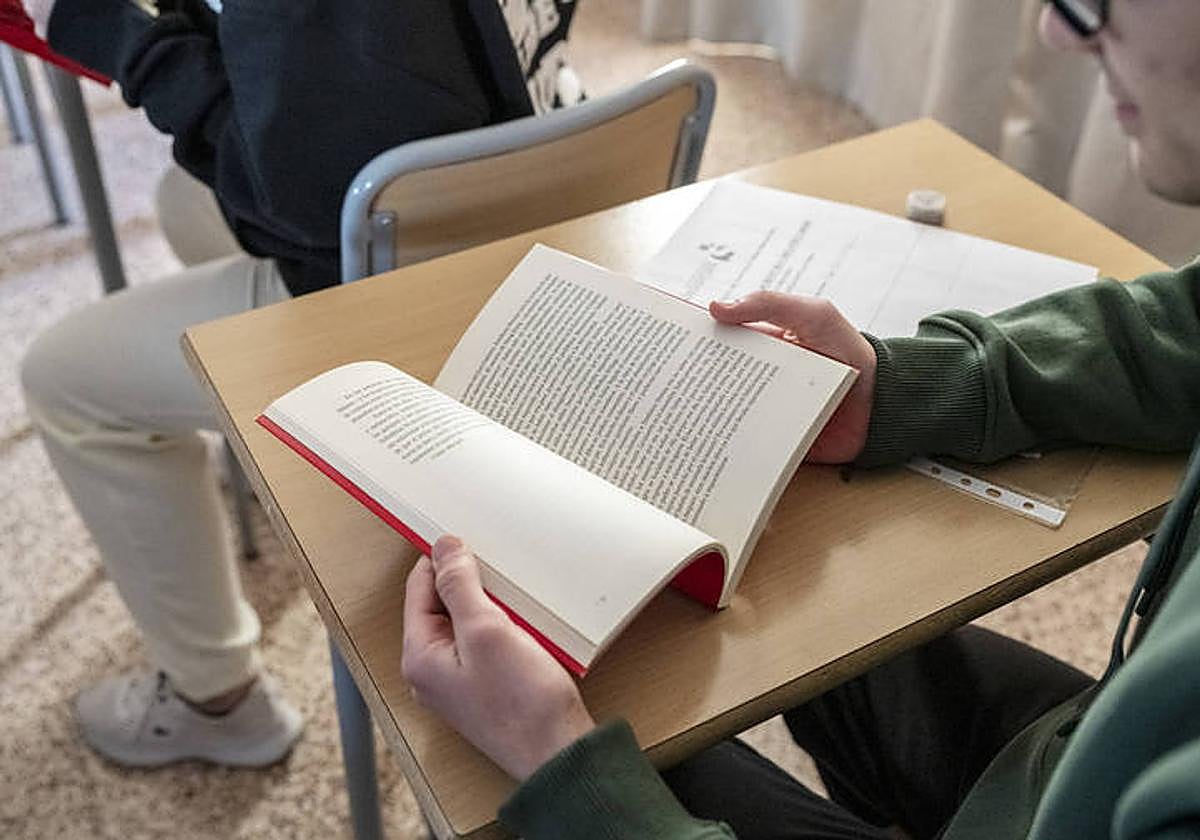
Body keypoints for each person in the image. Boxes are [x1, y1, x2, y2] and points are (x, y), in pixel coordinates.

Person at [401, 2, 1200, 837]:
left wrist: (569, 775)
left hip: (1094, 795)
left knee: (577, 739)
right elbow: (1185, 324)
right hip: (1085, 748)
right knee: (805, 625)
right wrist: (899, 387)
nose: (1059, 31)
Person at [18, 0, 582, 768]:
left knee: (63, 380)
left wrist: (113, 31)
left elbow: (303, 199)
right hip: (545, 215)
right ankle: (270, 443)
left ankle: (217, 698)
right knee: (183, 201)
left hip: (418, 299)